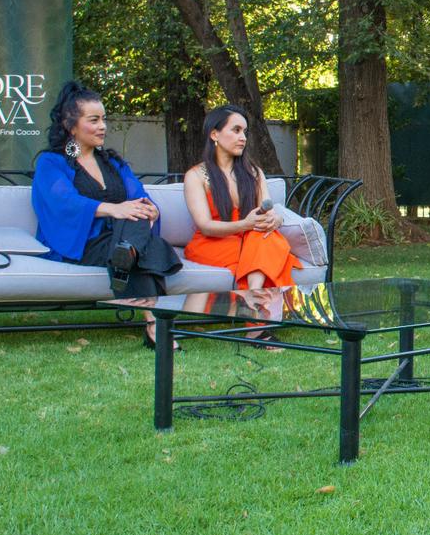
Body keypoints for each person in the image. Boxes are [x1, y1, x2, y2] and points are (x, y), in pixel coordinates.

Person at [32, 81, 182, 348]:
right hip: (83, 242)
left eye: (104, 119)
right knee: (150, 243)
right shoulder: (52, 162)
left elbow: (138, 194)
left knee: (133, 224)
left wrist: (150, 209)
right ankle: (154, 323)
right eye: (94, 120)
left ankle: (129, 258)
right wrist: (115, 209)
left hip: (119, 239)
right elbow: (62, 202)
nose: (103, 126)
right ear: (70, 125)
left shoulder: (112, 162)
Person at [183, 105, 300, 296]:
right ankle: (260, 308)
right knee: (267, 248)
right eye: (236, 130)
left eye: (245, 132)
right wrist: (245, 224)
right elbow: (205, 226)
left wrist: (276, 219)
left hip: (250, 238)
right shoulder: (196, 176)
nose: (243, 138)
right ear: (214, 134)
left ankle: (253, 299)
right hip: (214, 242)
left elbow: (268, 210)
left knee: (265, 238)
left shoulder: (254, 172)